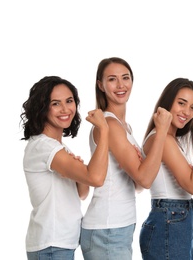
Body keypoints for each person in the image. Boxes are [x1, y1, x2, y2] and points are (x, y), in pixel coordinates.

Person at [80, 57, 172, 260]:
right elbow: (145, 179)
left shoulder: (125, 127)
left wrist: (140, 171)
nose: (121, 85)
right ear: (100, 85)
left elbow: (139, 185)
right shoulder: (110, 125)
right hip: (107, 230)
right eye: (112, 79)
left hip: (118, 227)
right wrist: (162, 130)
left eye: (125, 78)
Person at [20, 76, 110, 260]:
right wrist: (105, 129)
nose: (65, 109)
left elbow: (81, 194)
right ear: (42, 108)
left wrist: (79, 172)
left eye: (69, 101)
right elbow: (96, 178)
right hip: (51, 246)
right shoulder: (44, 147)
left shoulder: (60, 148)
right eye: (55, 103)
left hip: (60, 244)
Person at [139, 78, 193, 260]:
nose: (187, 112)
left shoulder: (172, 140)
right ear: (168, 102)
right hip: (169, 219)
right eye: (181, 103)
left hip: (174, 219)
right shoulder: (163, 138)